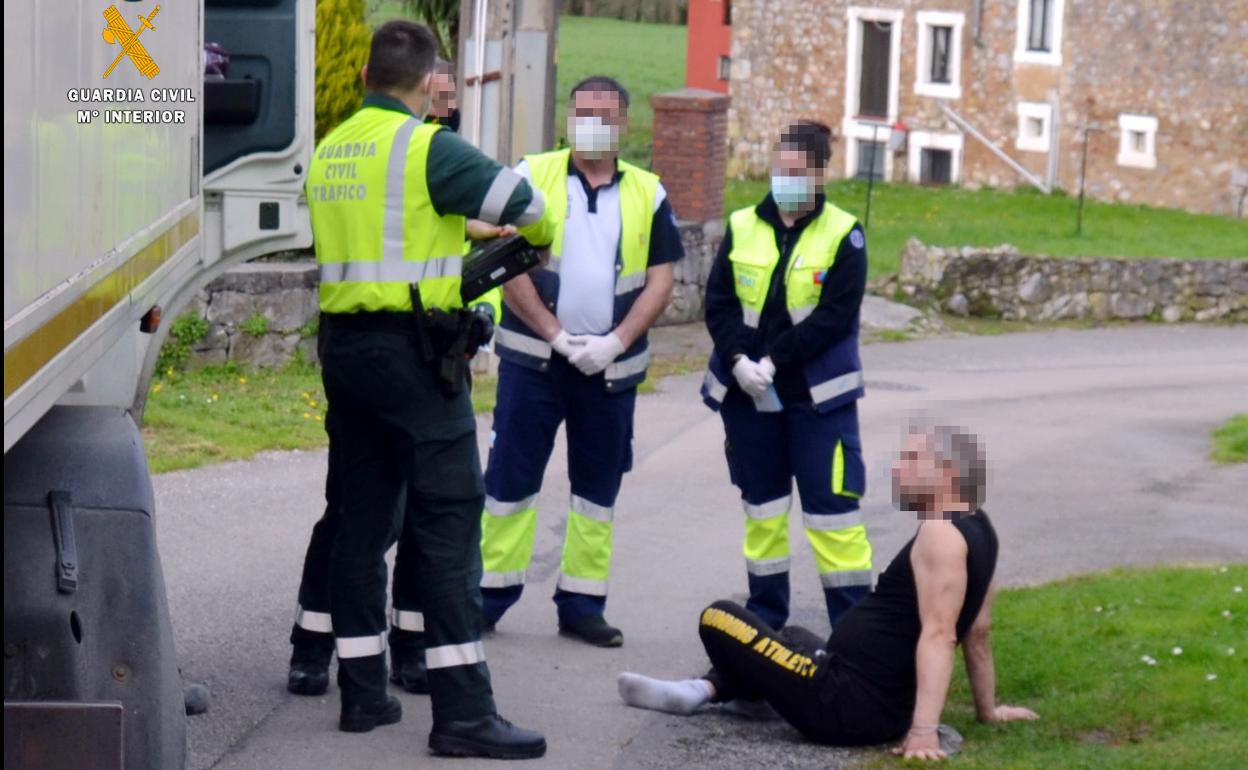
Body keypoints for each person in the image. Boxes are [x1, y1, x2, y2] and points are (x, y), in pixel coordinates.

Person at [304, 21, 555, 758]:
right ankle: (463, 714)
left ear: (364, 78)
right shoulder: (427, 147)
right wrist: (488, 232)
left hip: (344, 352)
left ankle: (363, 696)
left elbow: (380, 233)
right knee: (449, 522)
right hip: (415, 357)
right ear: (426, 88)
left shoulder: (330, 150)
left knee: (361, 520)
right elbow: (530, 209)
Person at [617, 424, 1040, 760]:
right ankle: (707, 690)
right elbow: (978, 633)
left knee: (719, 617)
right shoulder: (981, 527)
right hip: (865, 696)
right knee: (795, 638)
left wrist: (924, 731)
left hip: (846, 707)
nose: (897, 468)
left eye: (913, 460)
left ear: (948, 473)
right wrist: (989, 711)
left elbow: (941, 634)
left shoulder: (940, 532)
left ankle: (713, 689)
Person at [287, 54, 500, 702]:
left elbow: (448, 263)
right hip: (402, 354)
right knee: (382, 515)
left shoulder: (369, 153)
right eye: (434, 93)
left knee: (391, 516)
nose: (440, 107)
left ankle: (391, 660)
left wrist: (478, 307)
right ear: (419, 87)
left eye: (448, 99)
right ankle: (321, 648)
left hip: (384, 349)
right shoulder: (418, 154)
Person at [479, 75, 684, 647]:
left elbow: (662, 279)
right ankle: (488, 596)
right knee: (509, 483)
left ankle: (582, 604)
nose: (592, 121)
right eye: (582, 111)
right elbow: (503, 260)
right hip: (536, 364)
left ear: (623, 124)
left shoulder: (648, 191)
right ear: (569, 117)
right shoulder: (532, 175)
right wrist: (556, 335)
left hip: (609, 372)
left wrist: (616, 341)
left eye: (604, 113)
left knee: (597, 492)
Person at [701, 121, 874, 631]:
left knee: (833, 519)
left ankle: (855, 636)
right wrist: (737, 362)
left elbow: (832, 319)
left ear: (821, 173)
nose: (786, 179)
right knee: (763, 514)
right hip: (749, 395)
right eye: (780, 168)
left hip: (816, 400)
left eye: (797, 171)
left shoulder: (846, 234)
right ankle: (764, 624)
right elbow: (719, 303)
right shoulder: (742, 224)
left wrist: (774, 361)